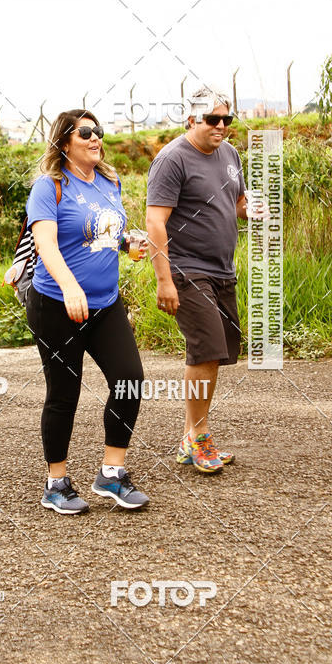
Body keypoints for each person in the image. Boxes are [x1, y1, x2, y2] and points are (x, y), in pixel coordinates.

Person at [25, 108, 150, 514]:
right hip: (55, 304)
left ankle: (111, 474)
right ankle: (56, 483)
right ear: (64, 142)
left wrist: (128, 245)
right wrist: (69, 285)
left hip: (104, 304)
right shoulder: (49, 186)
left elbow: (105, 235)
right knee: (64, 393)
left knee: (129, 378)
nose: (96, 138)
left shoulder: (108, 182)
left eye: (98, 132)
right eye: (85, 133)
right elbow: (46, 244)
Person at [146, 87, 248, 475]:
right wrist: (164, 280)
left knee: (216, 353)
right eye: (212, 119)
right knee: (204, 351)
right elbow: (155, 220)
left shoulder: (230, 155)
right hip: (186, 269)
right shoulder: (173, 159)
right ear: (191, 120)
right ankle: (200, 437)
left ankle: (191, 437)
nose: (221, 126)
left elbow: (236, 204)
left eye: (227, 119)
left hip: (222, 269)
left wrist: (249, 206)